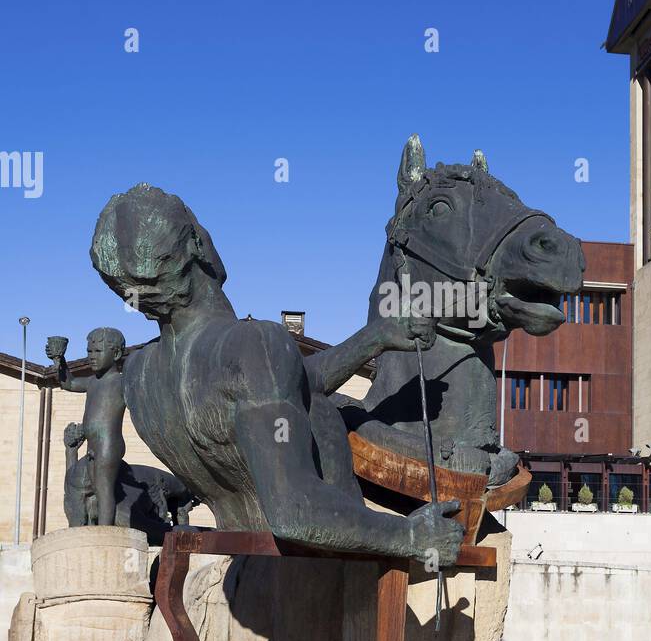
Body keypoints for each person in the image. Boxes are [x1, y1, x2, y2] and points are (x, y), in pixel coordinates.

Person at [89, 184, 464, 565]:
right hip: (321, 579)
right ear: (198, 245)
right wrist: (413, 535)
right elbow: (294, 512)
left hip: (245, 572)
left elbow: (293, 385)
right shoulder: (254, 342)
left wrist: (375, 337)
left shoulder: (138, 376)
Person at [47, 328, 126, 525]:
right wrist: (59, 361)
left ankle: (105, 532)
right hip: (93, 446)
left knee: (103, 488)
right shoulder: (92, 382)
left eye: (98, 351)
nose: (91, 356)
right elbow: (69, 383)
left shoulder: (121, 382)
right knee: (96, 491)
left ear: (115, 354)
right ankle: (97, 528)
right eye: (89, 351)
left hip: (108, 444)